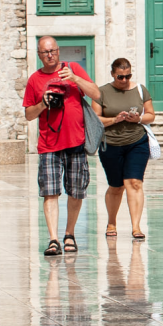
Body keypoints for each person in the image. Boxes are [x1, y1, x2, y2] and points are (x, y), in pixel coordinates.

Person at [23, 36, 101, 256]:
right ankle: (53, 239)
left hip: (76, 141)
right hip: (48, 144)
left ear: (58, 51)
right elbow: (29, 115)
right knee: (50, 193)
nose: (50, 55)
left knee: (76, 191)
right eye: (45, 52)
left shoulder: (72, 68)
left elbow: (96, 94)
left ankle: (69, 234)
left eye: (53, 51)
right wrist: (43, 103)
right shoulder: (34, 80)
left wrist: (75, 79)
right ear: (39, 55)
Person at [93, 58, 155, 240]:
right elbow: (95, 119)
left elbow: (151, 115)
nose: (124, 80)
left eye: (128, 76)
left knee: (134, 183)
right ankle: (111, 221)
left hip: (137, 142)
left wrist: (137, 119)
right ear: (112, 74)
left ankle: (136, 226)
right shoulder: (101, 92)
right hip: (110, 144)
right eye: (120, 76)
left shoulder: (140, 90)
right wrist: (114, 120)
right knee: (116, 186)